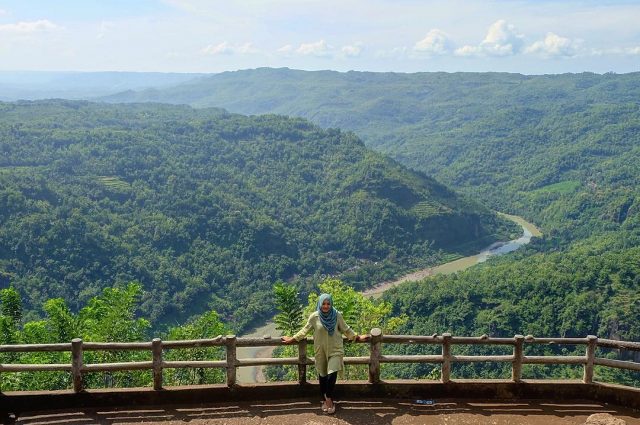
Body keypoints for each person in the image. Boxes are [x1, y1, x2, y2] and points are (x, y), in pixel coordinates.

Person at [281, 293, 370, 414]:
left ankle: (328, 398)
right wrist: (292, 339)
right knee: (322, 376)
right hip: (320, 351)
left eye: (328, 304)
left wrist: (357, 337)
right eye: (324, 303)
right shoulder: (314, 317)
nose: (326, 306)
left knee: (331, 374)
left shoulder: (337, 315)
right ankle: (324, 399)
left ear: (331, 304)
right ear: (320, 304)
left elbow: (346, 329)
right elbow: (304, 330)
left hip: (335, 350)